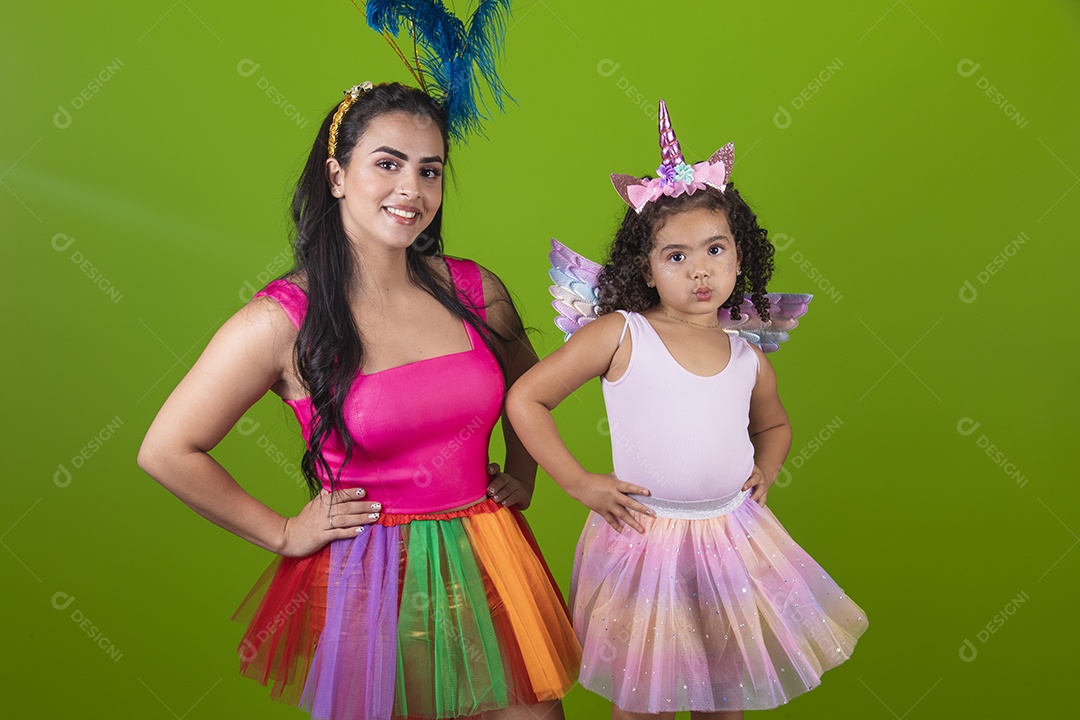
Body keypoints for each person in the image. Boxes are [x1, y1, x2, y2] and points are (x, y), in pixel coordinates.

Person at [138, 81, 579, 720]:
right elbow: (167, 450)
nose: (411, 190)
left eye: (429, 170)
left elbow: (529, 394)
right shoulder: (281, 321)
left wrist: (524, 474)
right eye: (387, 164)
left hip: (491, 557)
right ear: (337, 176)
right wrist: (283, 533)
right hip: (370, 578)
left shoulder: (475, 290)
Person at [505, 100, 866, 719]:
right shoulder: (622, 333)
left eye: (715, 250)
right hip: (645, 540)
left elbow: (773, 424)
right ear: (645, 269)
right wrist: (579, 482)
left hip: (731, 540)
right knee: (645, 698)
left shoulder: (747, 354)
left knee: (724, 693)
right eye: (676, 256)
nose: (700, 269)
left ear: (739, 256)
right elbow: (526, 398)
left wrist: (767, 468)